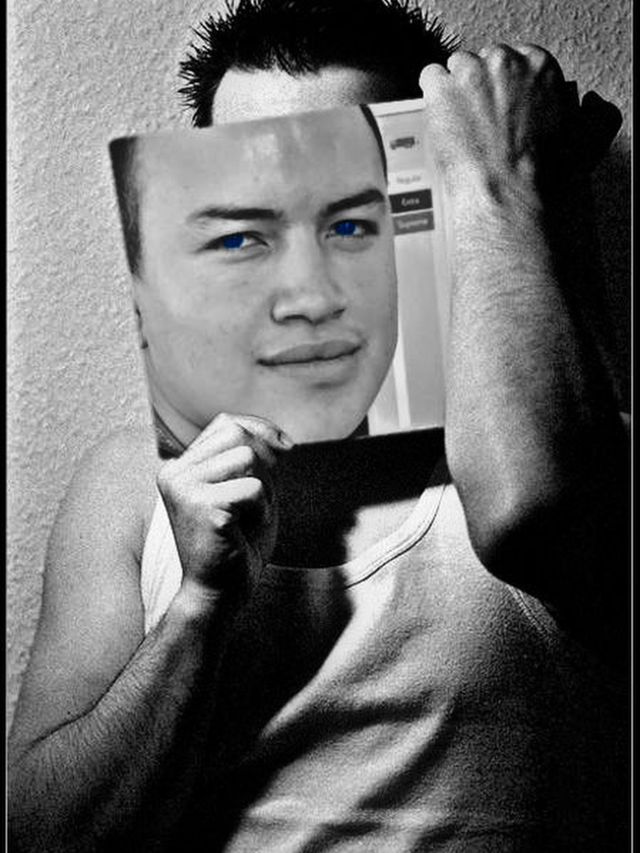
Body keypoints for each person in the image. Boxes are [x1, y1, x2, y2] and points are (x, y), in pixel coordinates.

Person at [8, 1, 629, 851]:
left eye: (349, 200)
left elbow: (536, 513)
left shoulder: (569, 449)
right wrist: (197, 607)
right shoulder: (129, 486)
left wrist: (498, 180)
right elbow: (38, 838)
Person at [110, 108, 397, 446]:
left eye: (349, 227)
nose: (317, 302)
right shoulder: (117, 476)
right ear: (131, 297)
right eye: (237, 241)